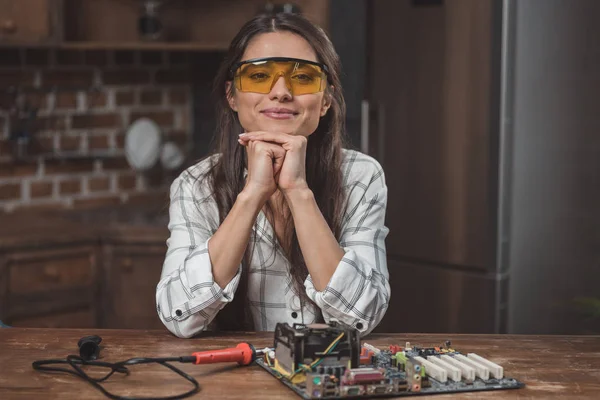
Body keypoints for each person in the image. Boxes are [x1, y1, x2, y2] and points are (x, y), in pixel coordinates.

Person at [156, 12, 390, 338]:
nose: (280, 91)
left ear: (326, 101)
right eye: (259, 75)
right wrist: (252, 194)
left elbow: (361, 315)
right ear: (232, 96)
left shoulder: (361, 177)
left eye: (303, 77)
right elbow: (178, 315)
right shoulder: (196, 185)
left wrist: (297, 190)